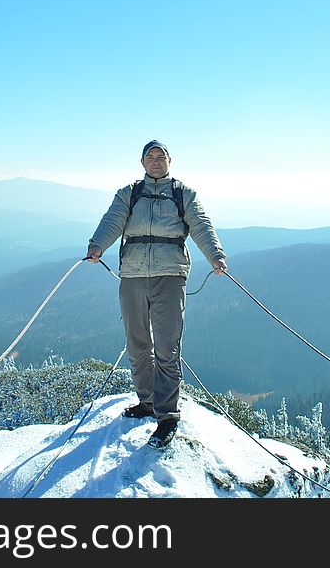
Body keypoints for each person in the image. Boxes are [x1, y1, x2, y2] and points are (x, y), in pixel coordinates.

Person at [86, 140, 228, 448]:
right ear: (142, 162)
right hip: (133, 274)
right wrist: (97, 245)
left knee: (166, 345)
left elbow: (201, 225)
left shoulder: (183, 194)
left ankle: (167, 416)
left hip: (170, 275)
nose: (155, 161)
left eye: (159, 156)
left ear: (169, 160)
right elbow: (113, 221)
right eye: (149, 157)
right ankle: (147, 401)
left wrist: (215, 256)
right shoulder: (129, 193)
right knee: (137, 344)